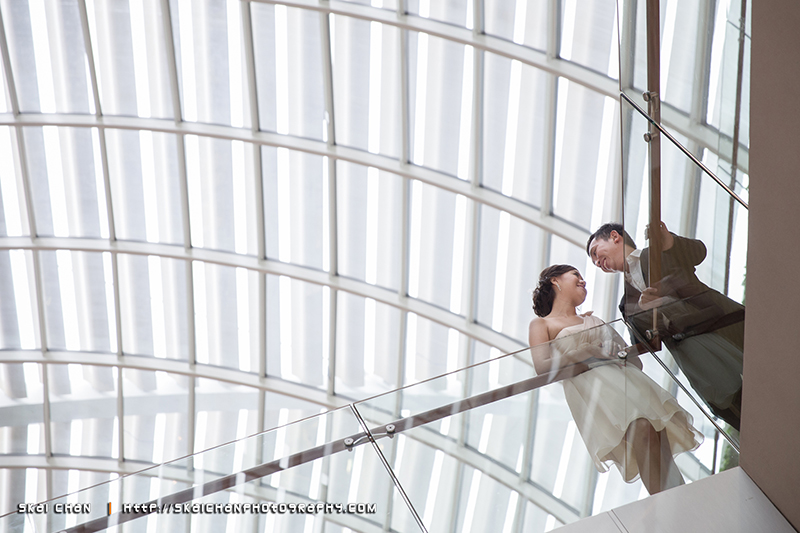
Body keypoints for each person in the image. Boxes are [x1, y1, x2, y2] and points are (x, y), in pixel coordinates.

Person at [529, 264, 703, 495]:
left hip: (627, 383)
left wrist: (615, 349)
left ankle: (683, 501)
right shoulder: (542, 324)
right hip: (597, 392)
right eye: (575, 275)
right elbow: (542, 367)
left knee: (656, 438)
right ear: (555, 280)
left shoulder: (595, 320)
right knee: (642, 431)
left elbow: (635, 363)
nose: (583, 281)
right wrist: (588, 351)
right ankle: (667, 504)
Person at [586, 222, 744, 431]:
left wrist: (669, 241)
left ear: (615, 236)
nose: (597, 263)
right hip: (697, 359)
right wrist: (643, 315)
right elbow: (646, 344)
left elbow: (698, 252)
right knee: (740, 411)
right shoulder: (626, 304)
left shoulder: (654, 253)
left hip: (726, 325)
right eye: (594, 262)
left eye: (595, 253)